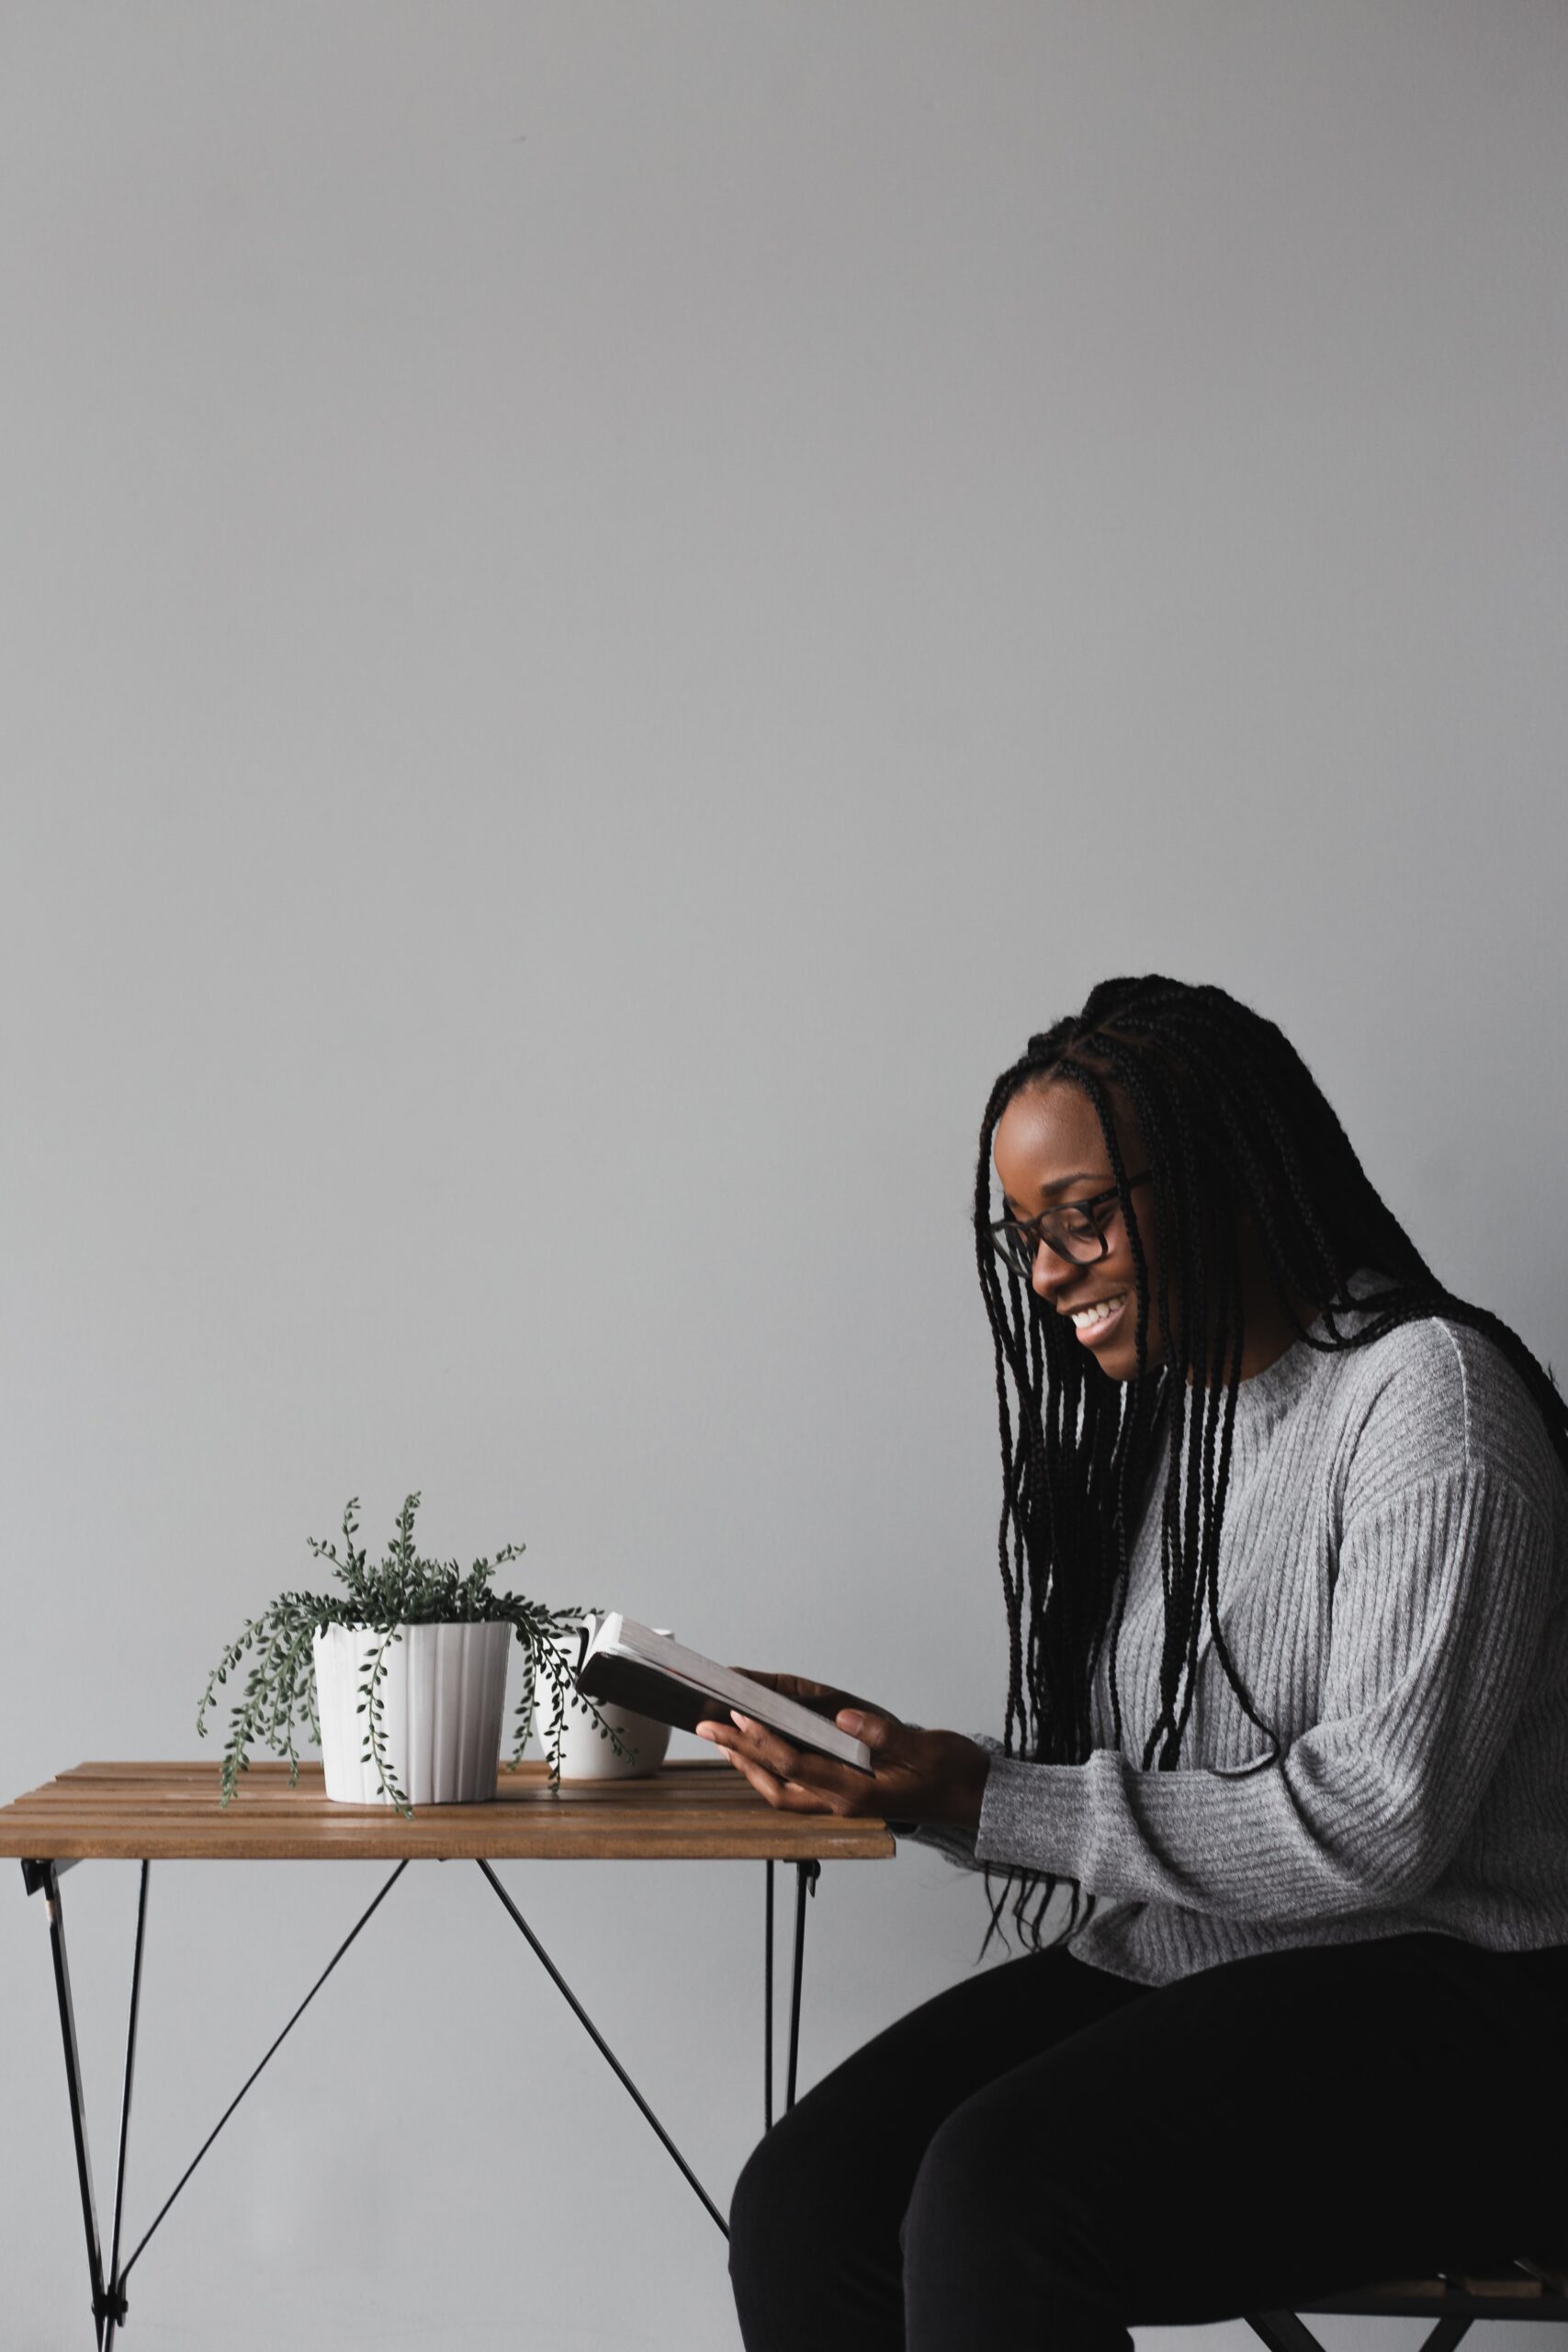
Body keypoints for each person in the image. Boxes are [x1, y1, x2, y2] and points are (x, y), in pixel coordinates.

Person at [699, 975, 1568, 2352]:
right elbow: (1175, 1786)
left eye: (1083, 1218)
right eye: (1027, 1239)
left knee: (1002, 2196)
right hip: (1218, 1960)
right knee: (812, 2200)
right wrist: (901, 1779)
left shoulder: (1432, 1402)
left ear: (1218, 1173)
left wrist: (979, 1797)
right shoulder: (1186, 1429)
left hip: (1482, 2004)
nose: (1047, 1275)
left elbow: (1381, 1823)